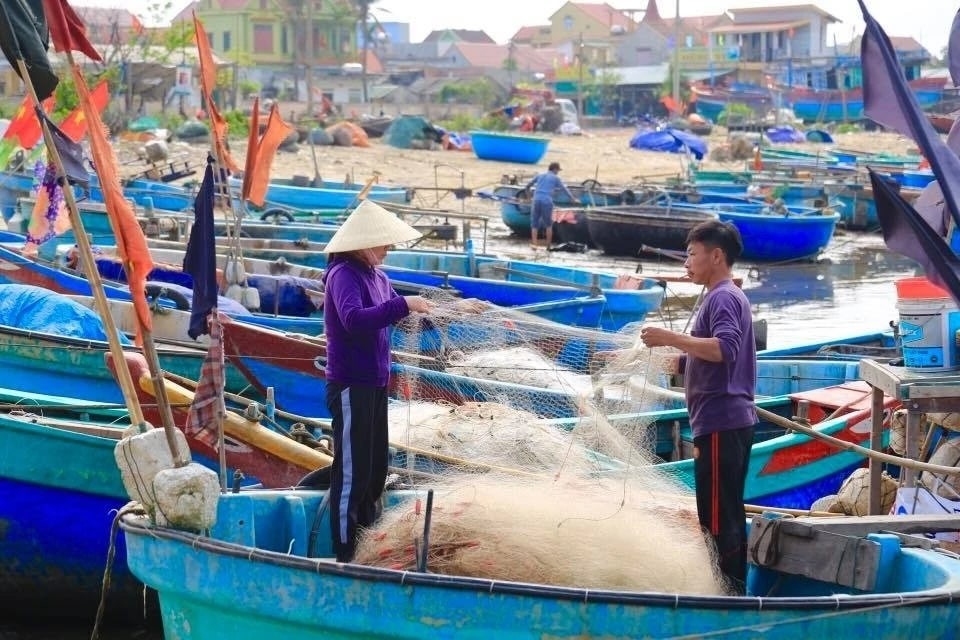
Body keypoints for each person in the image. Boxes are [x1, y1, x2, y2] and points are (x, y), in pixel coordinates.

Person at [639, 219, 757, 592]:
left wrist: (670, 336)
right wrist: (636, 356)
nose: (686, 264)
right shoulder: (719, 296)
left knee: (719, 519)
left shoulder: (723, 296)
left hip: (723, 421)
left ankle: (729, 596)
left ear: (717, 256)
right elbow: (694, 360)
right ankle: (731, 589)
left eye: (692, 254)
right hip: (719, 422)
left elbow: (724, 349)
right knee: (719, 513)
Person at [321, 200, 433, 563]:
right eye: (383, 242)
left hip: (376, 382)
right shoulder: (343, 274)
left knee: (375, 469)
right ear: (363, 241)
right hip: (351, 383)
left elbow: (389, 314)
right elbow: (354, 319)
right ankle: (344, 552)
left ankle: (367, 543)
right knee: (352, 472)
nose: (388, 248)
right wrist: (403, 305)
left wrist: (437, 312)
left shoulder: (378, 277)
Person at [525, 161, 575, 248]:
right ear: (555, 169)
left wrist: (529, 197)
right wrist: (572, 198)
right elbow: (564, 189)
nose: (558, 172)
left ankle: (534, 244)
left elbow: (527, 186)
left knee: (534, 224)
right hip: (547, 202)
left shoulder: (540, 175)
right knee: (549, 225)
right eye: (558, 170)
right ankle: (548, 245)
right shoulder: (555, 178)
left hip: (536, 200)